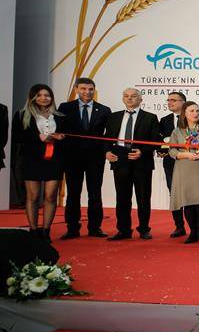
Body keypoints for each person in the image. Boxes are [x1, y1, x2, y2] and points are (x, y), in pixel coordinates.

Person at [11, 84, 66, 243]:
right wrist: (38, 137)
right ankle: (34, 231)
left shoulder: (60, 116)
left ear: (51, 98)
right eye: (40, 95)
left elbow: (67, 137)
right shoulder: (22, 115)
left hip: (54, 160)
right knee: (33, 197)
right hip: (31, 159)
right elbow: (17, 137)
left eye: (47, 95)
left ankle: (46, 230)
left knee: (50, 196)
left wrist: (61, 137)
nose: (44, 98)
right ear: (33, 97)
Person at [104, 88, 160, 241]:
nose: (129, 98)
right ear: (123, 99)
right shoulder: (114, 117)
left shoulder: (150, 117)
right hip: (119, 160)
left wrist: (142, 152)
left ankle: (144, 229)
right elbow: (107, 138)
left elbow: (156, 141)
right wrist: (106, 152)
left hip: (142, 161)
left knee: (143, 198)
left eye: (133, 96)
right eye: (126, 96)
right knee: (122, 198)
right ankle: (123, 230)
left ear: (140, 99)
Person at [58, 77, 110, 239]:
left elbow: (108, 136)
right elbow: (59, 130)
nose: (87, 92)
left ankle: (95, 227)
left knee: (95, 193)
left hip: (95, 158)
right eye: (83, 89)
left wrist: (106, 152)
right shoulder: (65, 108)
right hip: (72, 158)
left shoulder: (104, 110)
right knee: (73, 193)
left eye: (90, 89)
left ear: (94, 90)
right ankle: (72, 228)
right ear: (76, 89)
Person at [168, 101, 199, 243]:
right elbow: (171, 151)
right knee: (188, 203)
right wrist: (185, 155)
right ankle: (193, 233)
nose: (196, 113)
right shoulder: (177, 132)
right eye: (192, 111)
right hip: (185, 171)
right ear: (184, 114)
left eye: (197, 110)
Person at [159, 92, 187, 237]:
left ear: (183, 102)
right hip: (170, 163)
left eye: (174, 100)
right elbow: (159, 140)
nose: (170, 102)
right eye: (168, 100)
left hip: (189, 162)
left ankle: (198, 227)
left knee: (191, 194)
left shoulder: (192, 117)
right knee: (174, 194)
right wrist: (160, 150)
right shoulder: (164, 120)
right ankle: (179, 226)